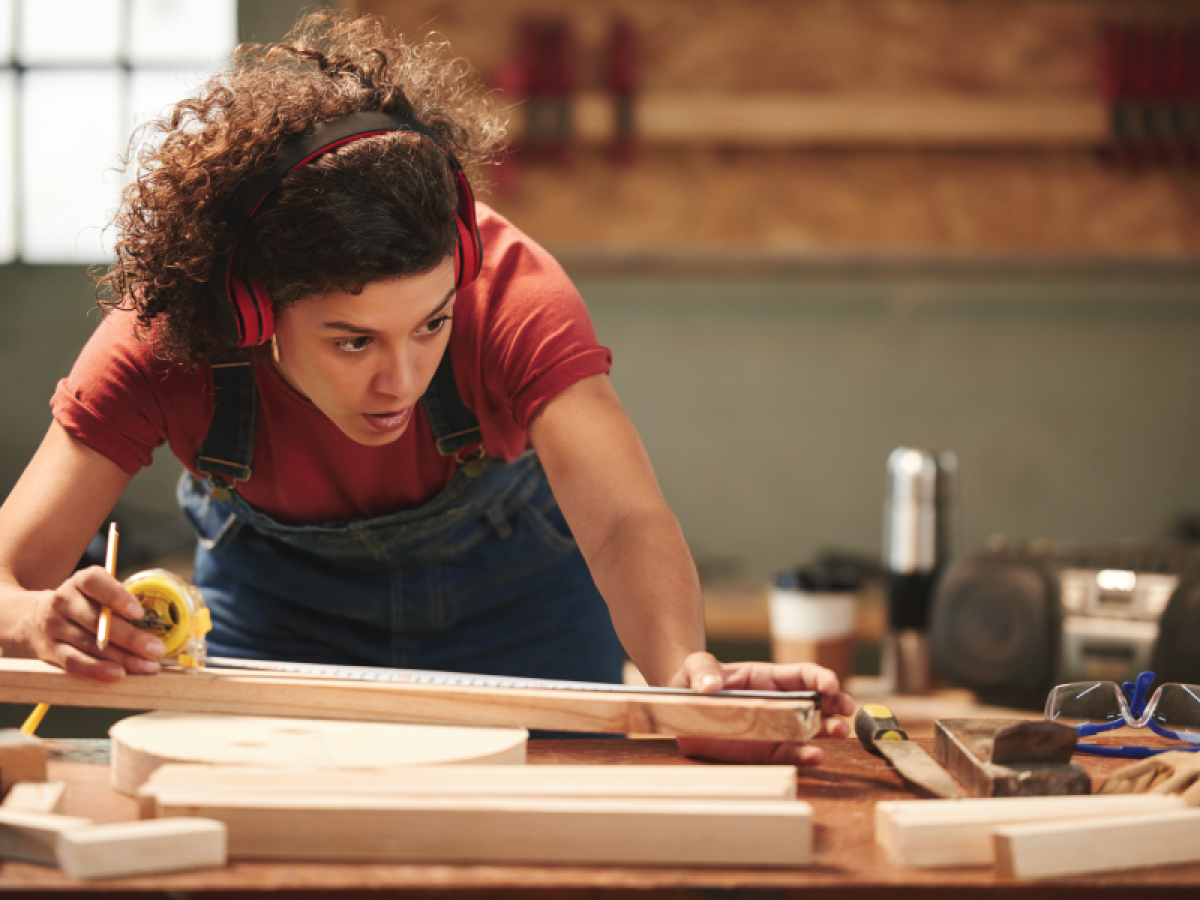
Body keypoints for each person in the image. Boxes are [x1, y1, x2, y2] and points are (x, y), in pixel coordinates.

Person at [0, 12, 852, 764]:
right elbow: (7, 579)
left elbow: (625, 519)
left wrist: (684, 683)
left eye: (433, 325)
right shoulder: (168, 337)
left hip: (523, 617)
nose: (401, 379)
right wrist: (40, 621)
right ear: (252, 311)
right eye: (352, 340)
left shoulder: (514, 290)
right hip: (279, 628)